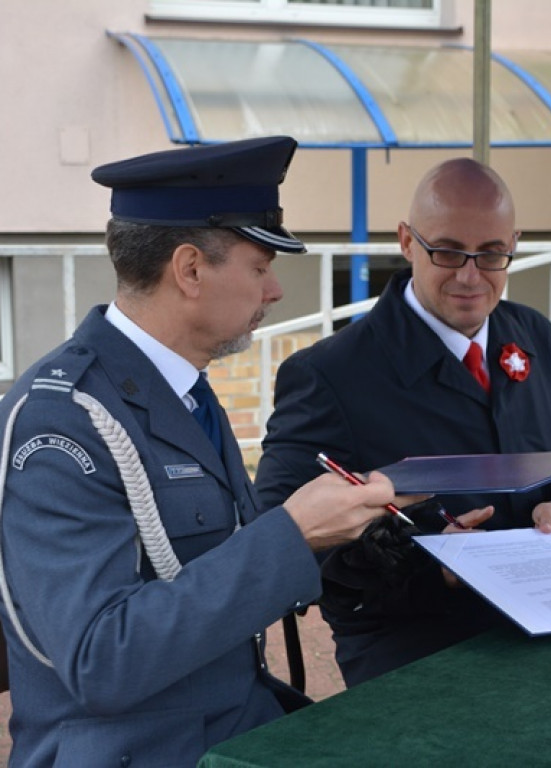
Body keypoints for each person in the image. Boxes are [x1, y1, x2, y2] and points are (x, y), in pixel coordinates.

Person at [0, 136, 403, 768]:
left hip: (230, 726)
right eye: (260, 266)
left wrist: (361, 532)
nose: (274, 291)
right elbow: (100, 661)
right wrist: (292, 535)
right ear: (189, 270)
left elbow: (213, 566)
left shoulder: (182, 388)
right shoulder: (63, 420)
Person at [255, 157, 551, 686]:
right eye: (448, 251)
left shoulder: (532, 334)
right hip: (418, 647)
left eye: (493, 254)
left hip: (548, 621)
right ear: (407, 242)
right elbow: (279, 535)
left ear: (513, 244)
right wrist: (433, 563)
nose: (470, 276)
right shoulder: (329, 374)